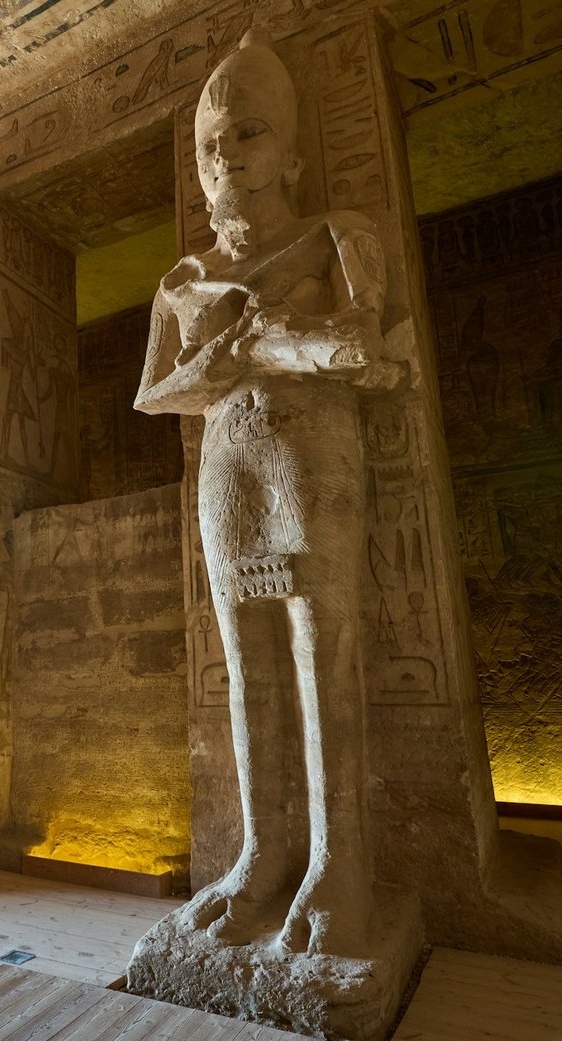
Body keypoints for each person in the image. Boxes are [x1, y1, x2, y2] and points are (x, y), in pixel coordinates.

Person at [134, 30, 406, 956]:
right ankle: (262, 852)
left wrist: (304, 338)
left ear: (290, 153)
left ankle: (340, 864)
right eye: (212, 145)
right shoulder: (184, 279)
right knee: (245, 657)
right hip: (227, 462)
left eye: (247, 134)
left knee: (320, 652)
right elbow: (159, 391)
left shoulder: (336, 238)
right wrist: (234, 352)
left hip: (309, 451)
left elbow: (380, 354)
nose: (226, 159)